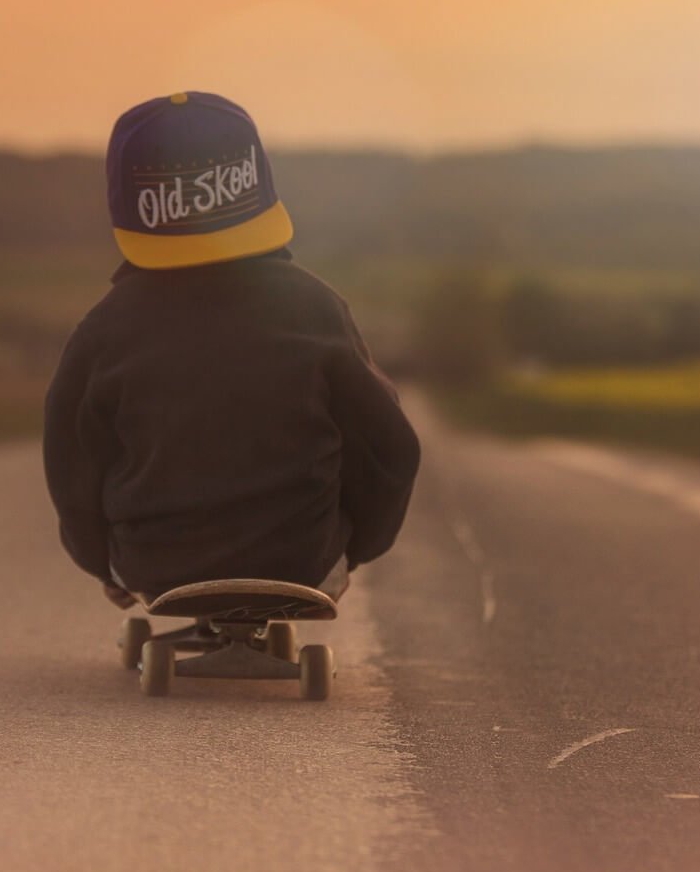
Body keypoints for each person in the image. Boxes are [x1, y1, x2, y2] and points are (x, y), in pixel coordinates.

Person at [42, 91, 421, 608]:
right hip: (301, 565)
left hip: (154, 568)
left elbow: (71, 465)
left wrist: (101, 561)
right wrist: (355, 547)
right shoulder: (314, 307)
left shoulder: (104, 327)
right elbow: (390, 451)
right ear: (255, 183)